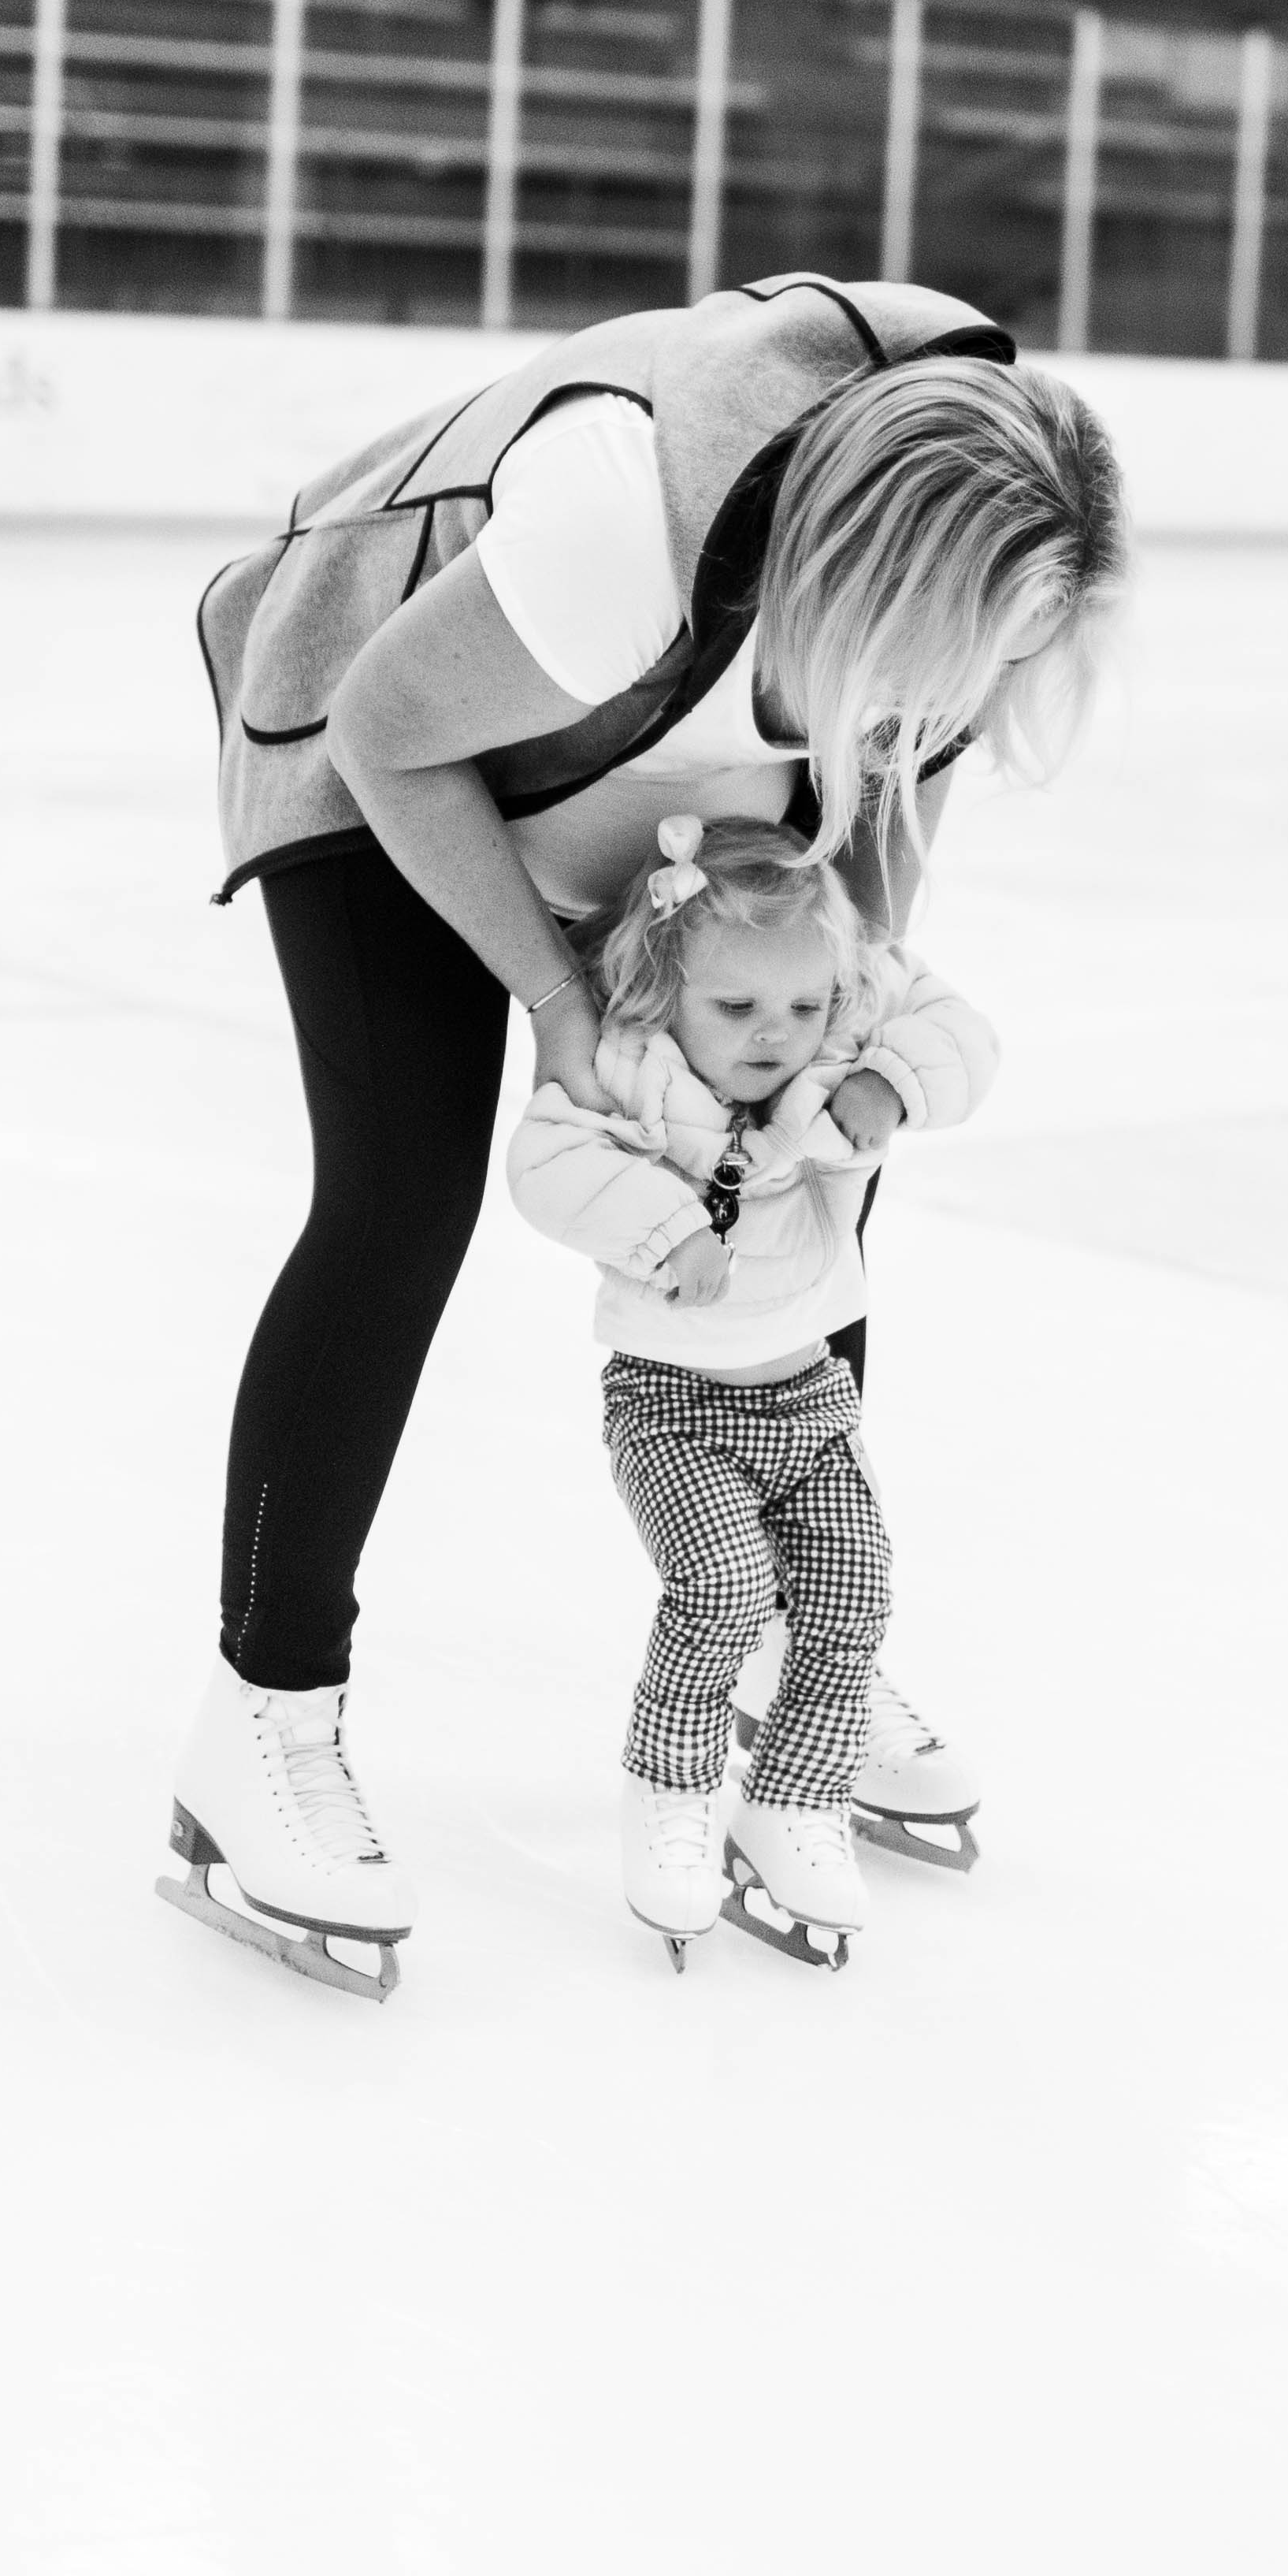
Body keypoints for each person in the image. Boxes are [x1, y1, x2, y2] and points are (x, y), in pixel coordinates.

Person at [154, 273, 1124, 2005]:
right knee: (401, 1194)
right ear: (858, 581)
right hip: (387, 731)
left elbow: (889, 804)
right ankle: (260, 1727)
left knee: (823, 1147)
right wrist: (552, 993)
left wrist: (856, 1012)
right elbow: (391, 729)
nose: (943, 706)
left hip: (653, 749)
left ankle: (776, 1628)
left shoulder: (985, 556)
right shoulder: (626, 525)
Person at [503, 812, 997, 1971]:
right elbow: (545, 1163)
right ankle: (671, 1795)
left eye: (806, 1009)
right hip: (673, 1404)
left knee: (851, 1598)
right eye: (737, 1011)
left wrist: (885, 1073)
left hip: (814, 1396)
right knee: (721, 1587)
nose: (778, 1036)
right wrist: (662, 1223)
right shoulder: (624, 1063)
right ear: (664, 987)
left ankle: (795, 1800)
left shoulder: (842, 1023)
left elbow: (960, 1035)